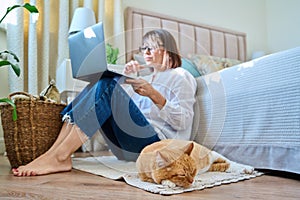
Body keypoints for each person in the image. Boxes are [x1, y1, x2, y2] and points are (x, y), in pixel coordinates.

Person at [12, 29, 197, 176]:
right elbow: (121, 111)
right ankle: (54, 154)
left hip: (156, 146)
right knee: (100, 82)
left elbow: (184, 122)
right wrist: (128, 78)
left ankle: (60, 156)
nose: (146, 52)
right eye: (143, 48)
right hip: (126, 147)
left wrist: (154, 94)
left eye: (152, 47)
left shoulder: (181, 76)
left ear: (167, 50)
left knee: (107, 85)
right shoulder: (148, 77)